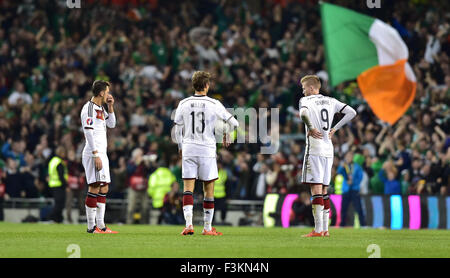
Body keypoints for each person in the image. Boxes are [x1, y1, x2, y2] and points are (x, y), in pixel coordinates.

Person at [173, 71, 239, 236]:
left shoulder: (184, 103)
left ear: (193, 85)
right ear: (207, 85)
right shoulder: (214, 104)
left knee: (188, 188)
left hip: (188, 148)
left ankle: (188, 225)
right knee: (208, 189)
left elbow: (177, 130)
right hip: (207, 150)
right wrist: (227, 133)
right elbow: (235, 123)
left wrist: (180, 147)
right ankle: (207, 228)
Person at [298, 75, 357, 237]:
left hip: (315, 147)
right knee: (324, 189)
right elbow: (352, 112)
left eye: (304, 89)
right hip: (328, 148)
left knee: (315, 188)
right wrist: (335, 128)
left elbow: (303, 114)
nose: (303, 92)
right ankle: (325, 230)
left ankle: (318, 230)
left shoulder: (306, 102)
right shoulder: (331, 100)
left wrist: (310, 126)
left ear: (311, 88)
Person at [80, 80, 118, 233]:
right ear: (101, 92)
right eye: (107, 92)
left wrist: (110, 106)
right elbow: (88, 132)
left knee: (104, 187)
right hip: (93, 152)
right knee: (95, 186)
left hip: (102, 152)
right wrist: (95, 154)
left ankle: (101, 226)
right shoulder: (88, 108)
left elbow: (112, 124)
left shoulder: (100, 108)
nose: (109, 94)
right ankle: (91, 227)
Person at [337, 151, 366, 227]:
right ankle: (342, 224)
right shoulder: (343, 166)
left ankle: (363, 224)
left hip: (354, 189)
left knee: (358, 208)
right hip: (346, 190)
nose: (349, 158)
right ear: (345, 157)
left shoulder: (357, 166)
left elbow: (360, 177)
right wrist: (341, 167)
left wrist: (353, 182)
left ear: (352, 157)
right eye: (347, 156)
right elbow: (338, 172)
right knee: (344, 208)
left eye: (350, 156)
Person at [47, 146, 68, 223]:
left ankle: (58, 219)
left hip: (52, 184)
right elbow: (61, 176)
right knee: (59, 204)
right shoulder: (59, 162)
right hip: (59, 185)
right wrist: (65, 185)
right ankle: (51, 217)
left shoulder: (53, 161)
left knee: (57, 203)